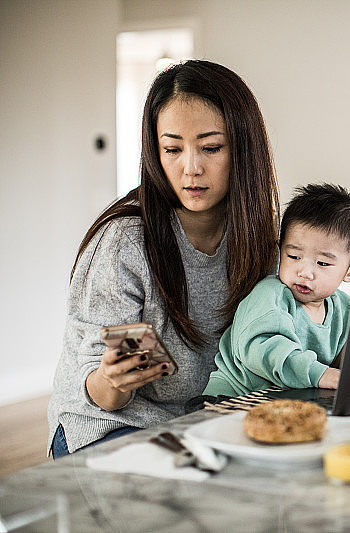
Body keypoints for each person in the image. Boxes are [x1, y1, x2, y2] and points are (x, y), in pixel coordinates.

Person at [47, 60, 281, 458]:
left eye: (210, 147)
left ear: (243, 148)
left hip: (206, 425)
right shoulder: (126, 241)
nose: (191, 168)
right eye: (172, 149)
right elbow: (102, 396)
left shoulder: (264, 236)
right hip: (114, 427)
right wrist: (114, 378)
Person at [203, 183, 350, 397]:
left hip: (284, 401)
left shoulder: (344, 308)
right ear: (280, 251)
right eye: (294, 257)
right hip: (231, 398)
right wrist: (319, 374)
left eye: (322, 263)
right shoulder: (270, 295)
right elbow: (264, 349)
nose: (305, 272)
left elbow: (347, 360)